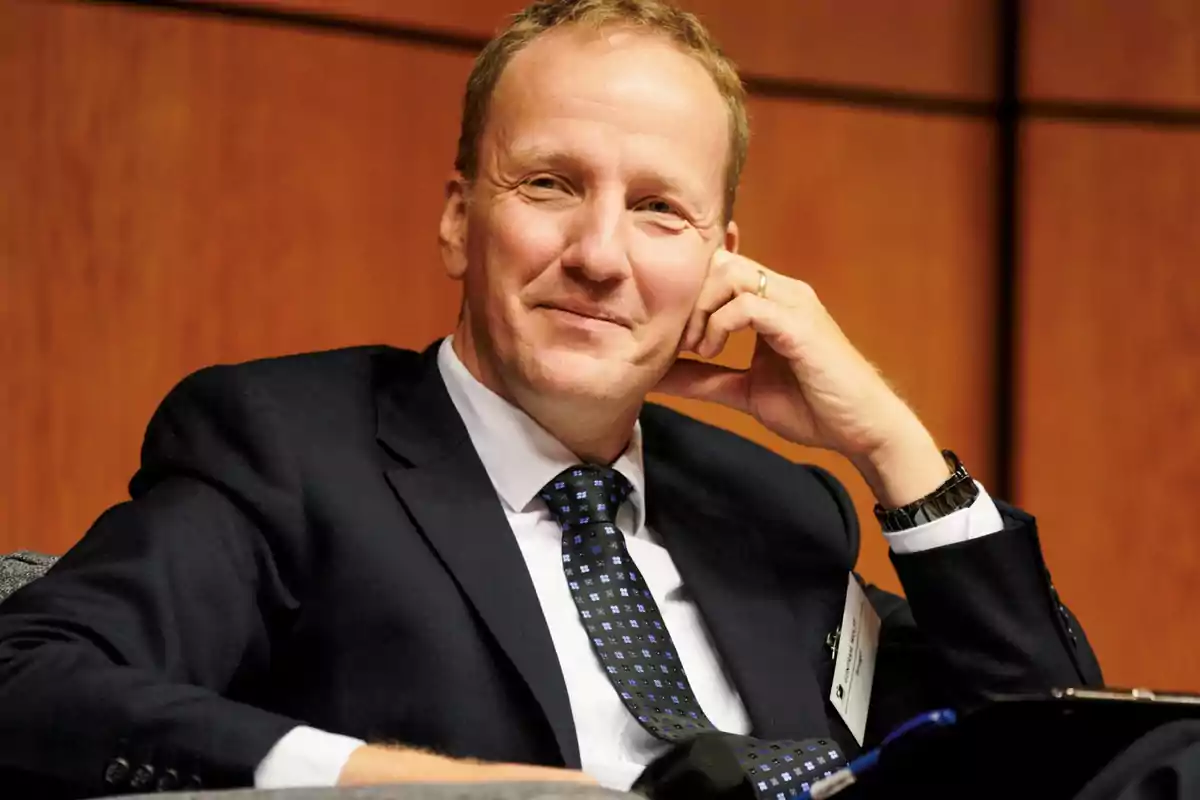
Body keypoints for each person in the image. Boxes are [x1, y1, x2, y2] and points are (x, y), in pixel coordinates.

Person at [0, 0, 1102, 797]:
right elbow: (30, 678)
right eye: (549, 184)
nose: (599, 254)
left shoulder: (775, 508)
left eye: (659, 209)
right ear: (456, 217)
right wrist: (391, 784)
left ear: (721, 262)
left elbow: (1065, 756)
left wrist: (891, 444)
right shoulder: (288, 449)